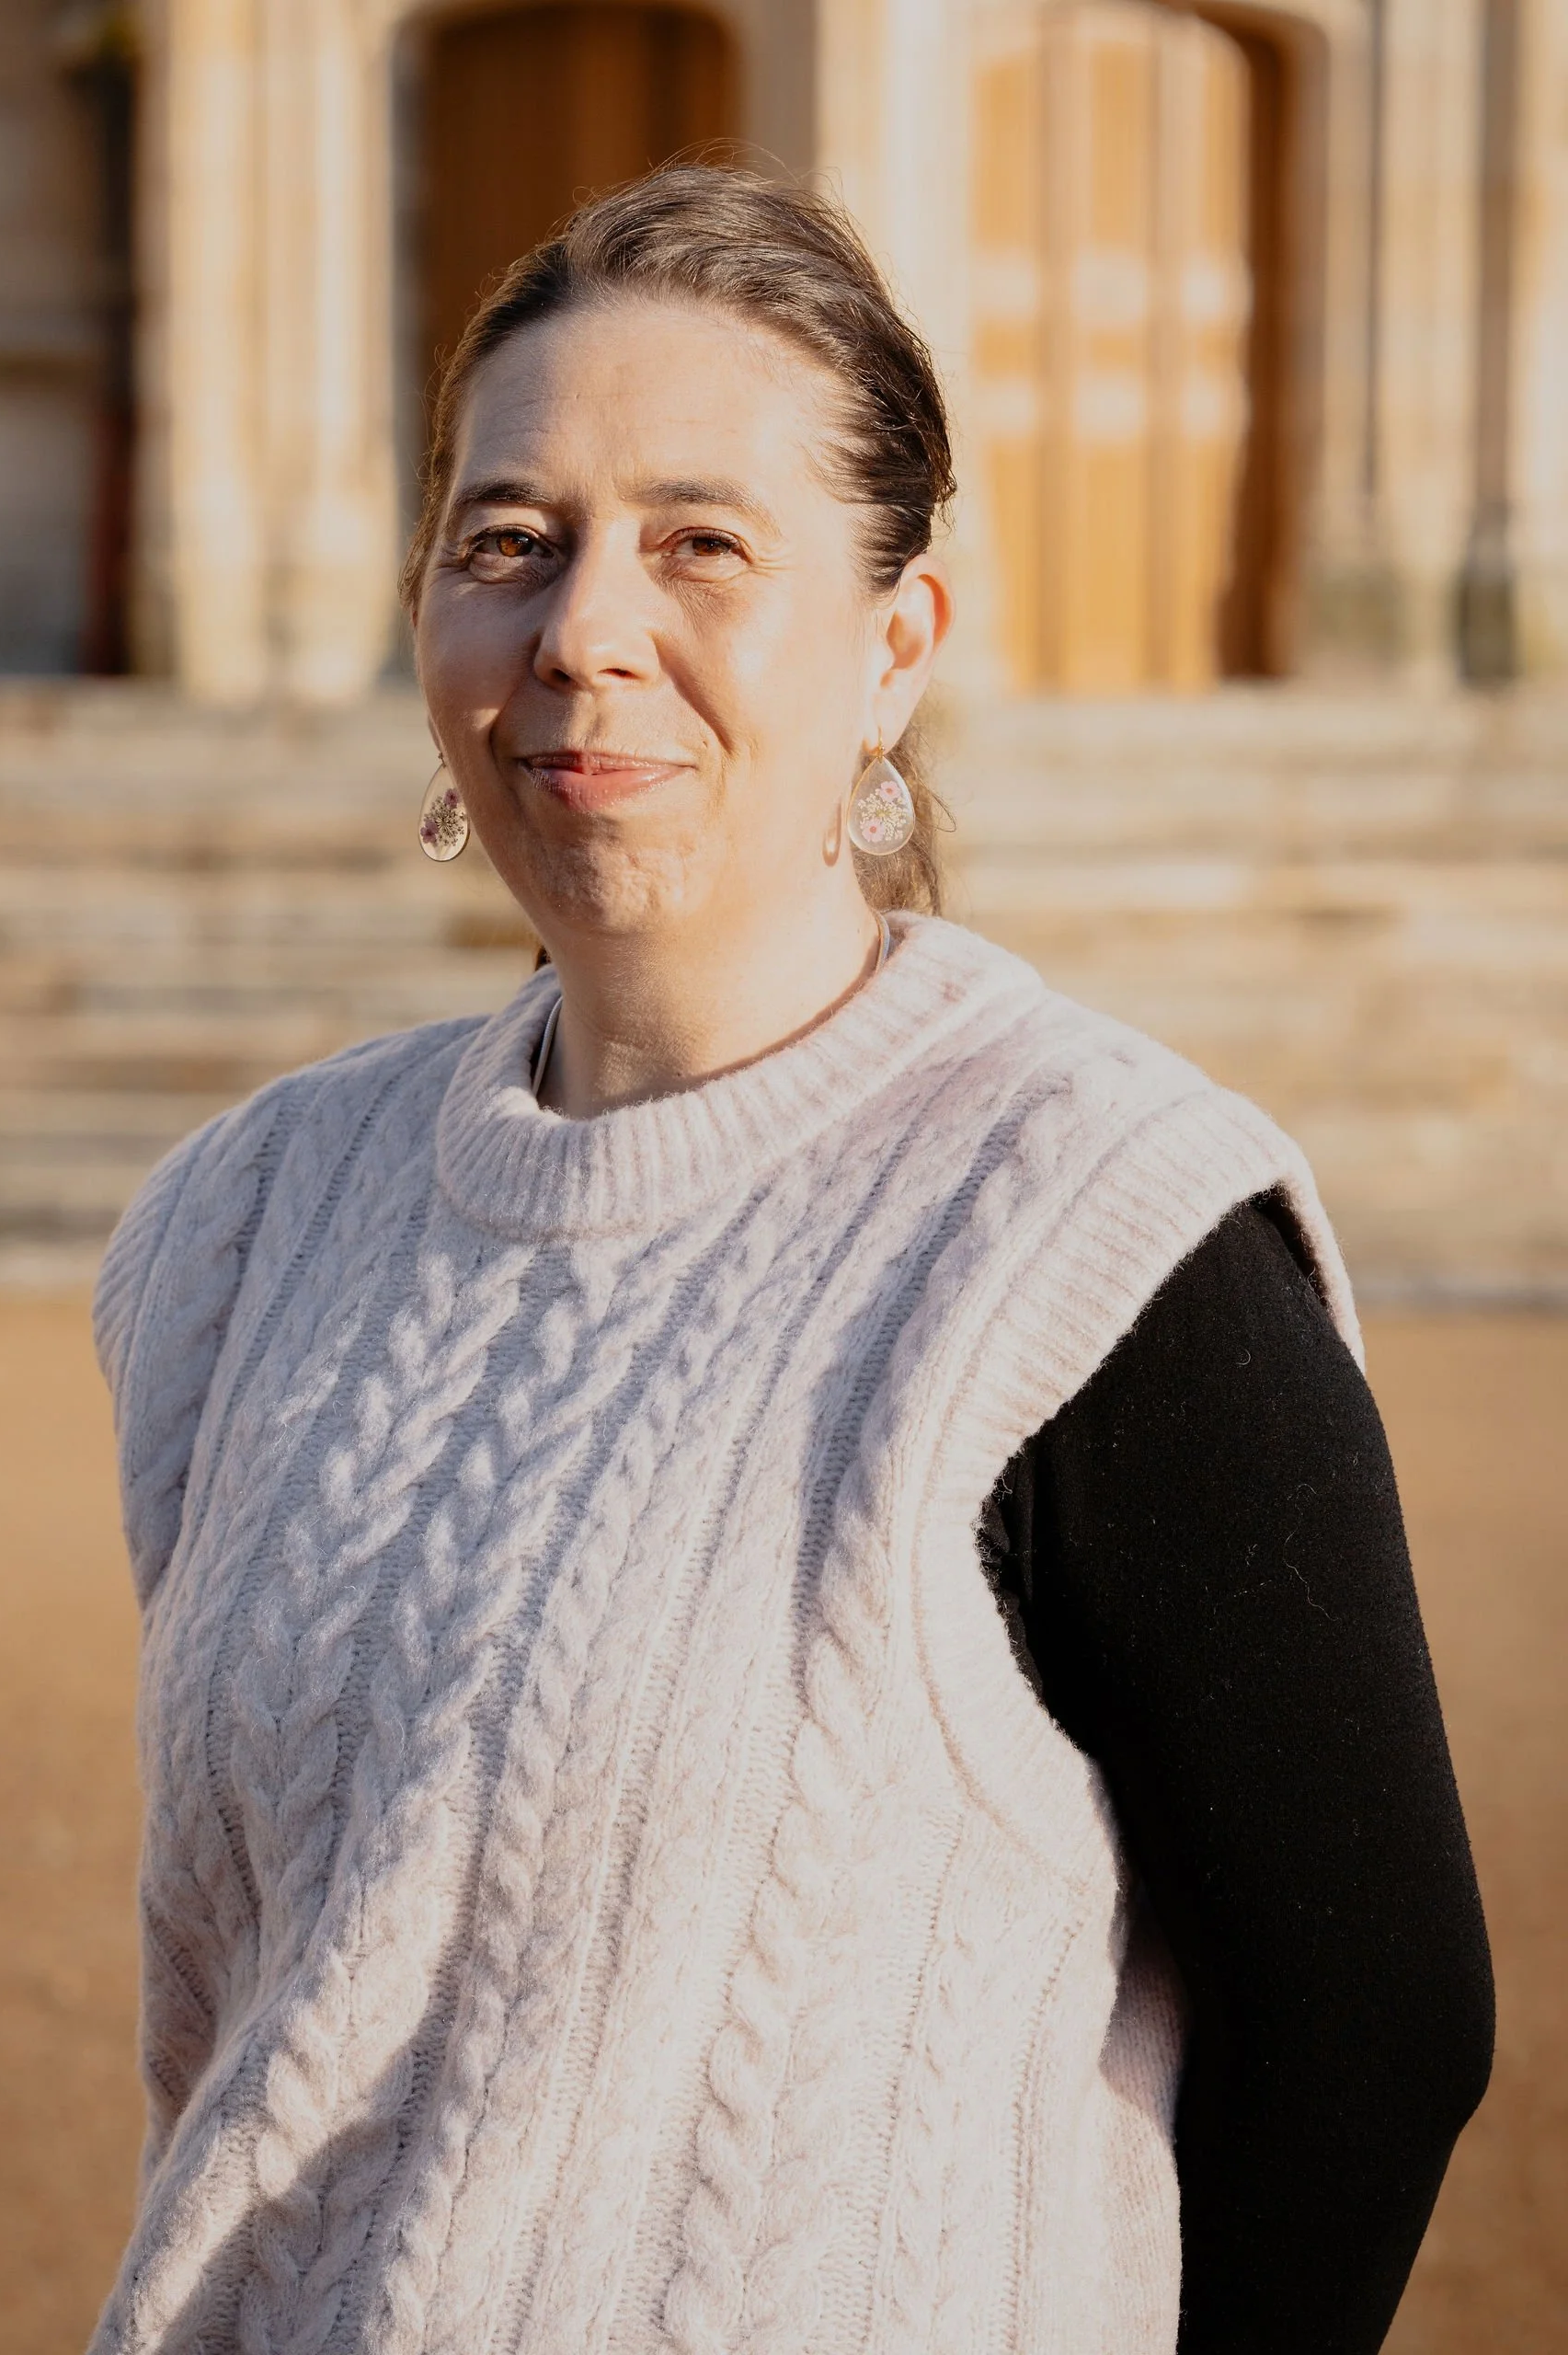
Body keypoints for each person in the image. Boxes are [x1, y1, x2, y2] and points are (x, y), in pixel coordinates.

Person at [87, 167, 1492, 2355]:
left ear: (896, 643)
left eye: (698, 543)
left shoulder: (1097, 1238)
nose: (578, 633)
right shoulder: (244, 1220)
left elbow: (1376, 2026)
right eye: (508, 540)